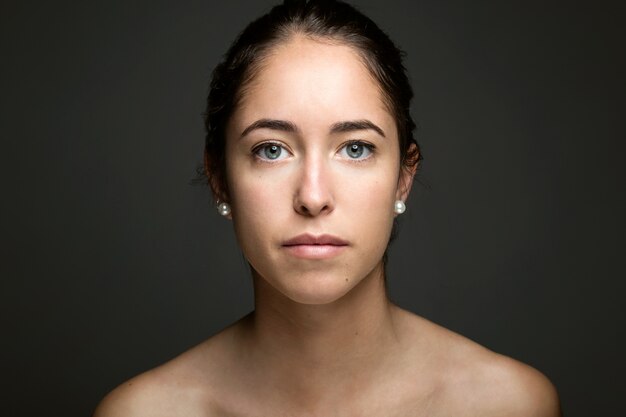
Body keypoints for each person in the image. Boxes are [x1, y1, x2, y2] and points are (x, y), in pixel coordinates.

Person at [95, 1, 561, 415]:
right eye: (272, 150)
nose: (313, 197)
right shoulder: (144, 411)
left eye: (355, 148)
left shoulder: (507, 404)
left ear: (405, 174)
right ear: (220, 178)